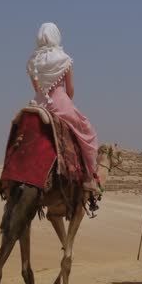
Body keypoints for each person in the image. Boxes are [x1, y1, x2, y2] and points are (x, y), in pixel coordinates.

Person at [27, 22, 99, 180]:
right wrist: (64, 101)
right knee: (87, 134)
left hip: (37, 104)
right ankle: (89, 178)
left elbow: (36, 89)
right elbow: (70, 90)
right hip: (61, 103)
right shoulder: (64, 59)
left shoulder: (33, 61)